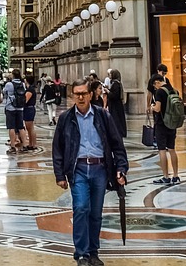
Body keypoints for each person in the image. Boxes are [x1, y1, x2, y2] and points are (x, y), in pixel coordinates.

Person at [52, 77, 129, 266]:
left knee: (95, 212)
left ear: (90, 94)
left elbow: (117, 145)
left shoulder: (103, 116)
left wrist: (121, 168)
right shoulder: (66, 118)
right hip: (78, 169)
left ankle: (93, 251)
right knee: (80, 208)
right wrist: (60, 175)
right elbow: (58, 148)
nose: (80, 98)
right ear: (72, 95)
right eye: (77, 94)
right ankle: (82, 254)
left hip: (100, 169)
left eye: (84, 94)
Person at [149, 74, 178, 185]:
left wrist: (152, 107)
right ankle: (175, 175)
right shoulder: (174, 90)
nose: (155, 88)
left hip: (162, 124)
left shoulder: (160, 92)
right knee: (172, 149)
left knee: (162, 150)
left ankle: (166, 176)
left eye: (154, 86)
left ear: (157, 82)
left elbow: (158, 108)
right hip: (172, 123)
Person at [3, 68, 27, 153]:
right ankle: (25, 145)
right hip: (20, 108)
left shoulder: (9, 84)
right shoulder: (23, 84)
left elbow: (4, 93)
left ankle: (12, 146)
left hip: (10, 107)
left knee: (11, 127)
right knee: (21, 127)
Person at [105, 68, 127, 139]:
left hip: (115, 106)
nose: (110, 75)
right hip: (116, 105)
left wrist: (107, 91)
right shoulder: (116, 83)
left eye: (111, 74)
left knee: (116, 120)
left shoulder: (116, 84)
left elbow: (114, 95)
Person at [23, 72, 40, 151]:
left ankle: (34, 144)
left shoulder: (30, 90)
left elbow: (25, 100)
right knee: (29, 127)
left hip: (29, 109)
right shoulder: (29, 89)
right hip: (29, 109)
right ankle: (31, 143)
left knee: (30, 127)